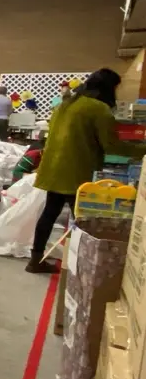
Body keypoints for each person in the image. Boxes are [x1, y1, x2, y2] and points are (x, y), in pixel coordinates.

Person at [26, 68, 146, 274]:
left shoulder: (66, 104)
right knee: (83, 218)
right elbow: (112, 146)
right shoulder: (99, 109)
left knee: (50, 213)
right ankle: (82, 264)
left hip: (54, 167)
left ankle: (35, 259)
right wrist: (142, 148)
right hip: (76, 169)